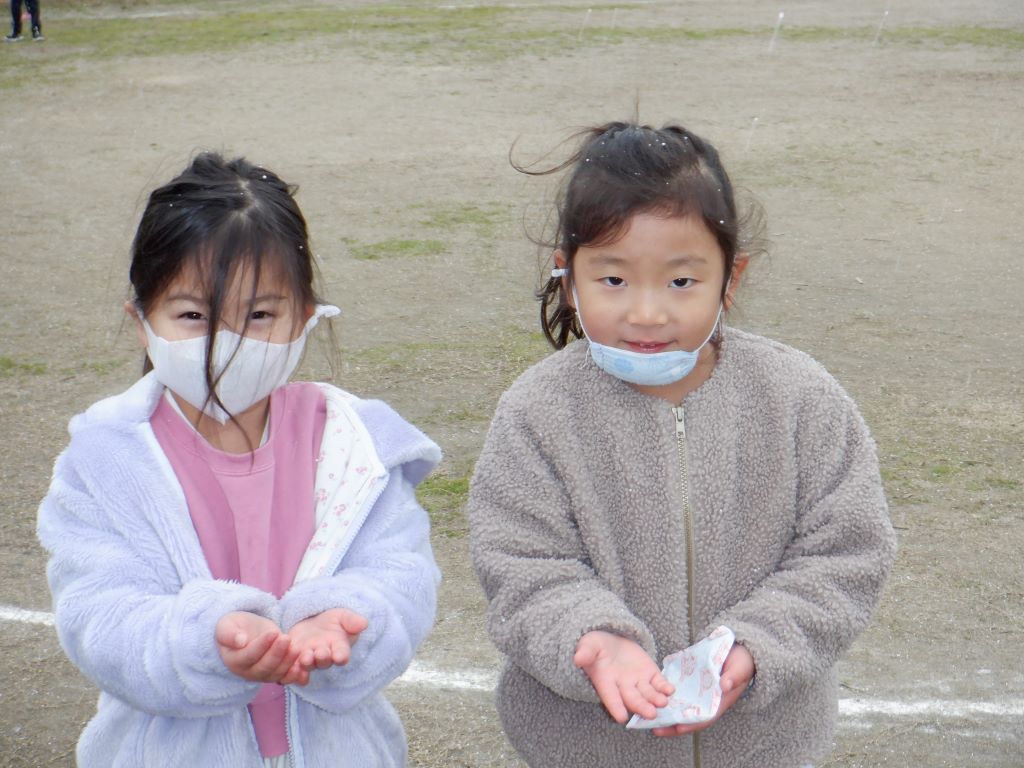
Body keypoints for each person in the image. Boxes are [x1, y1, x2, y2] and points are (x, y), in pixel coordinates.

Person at [468, 121, 897, 767]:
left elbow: (846, 550)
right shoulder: (538, 412)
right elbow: (522, 564)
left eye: (681, 282)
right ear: (568, 276)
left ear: (731, 277)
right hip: (585, 751)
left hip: (766, 746)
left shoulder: (798, 398)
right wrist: (594, 638)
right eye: (613, 280)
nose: (646, 312)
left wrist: (758, 645)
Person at [37, 153, 441, 767]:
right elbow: (99, 615)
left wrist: (344, 622)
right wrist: (205, 643)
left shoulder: (356, 445)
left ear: (305, 317)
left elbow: (402, 577)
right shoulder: (105, 459)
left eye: (259, 315)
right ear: (142, 321)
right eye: (193, 315)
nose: (226, 347)